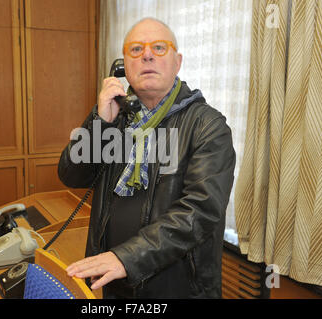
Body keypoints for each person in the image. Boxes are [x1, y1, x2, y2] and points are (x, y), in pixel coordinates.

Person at [60, 17, 236, 298]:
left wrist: (126, 258)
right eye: (136, 50)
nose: (147, 55)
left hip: (175, 286)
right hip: (113, 278)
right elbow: (72, 175)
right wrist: (99, 123)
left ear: (177, 62)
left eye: (159, 47)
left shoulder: (207, 125)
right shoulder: (115, 117)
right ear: (123, 66)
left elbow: (200, 210)